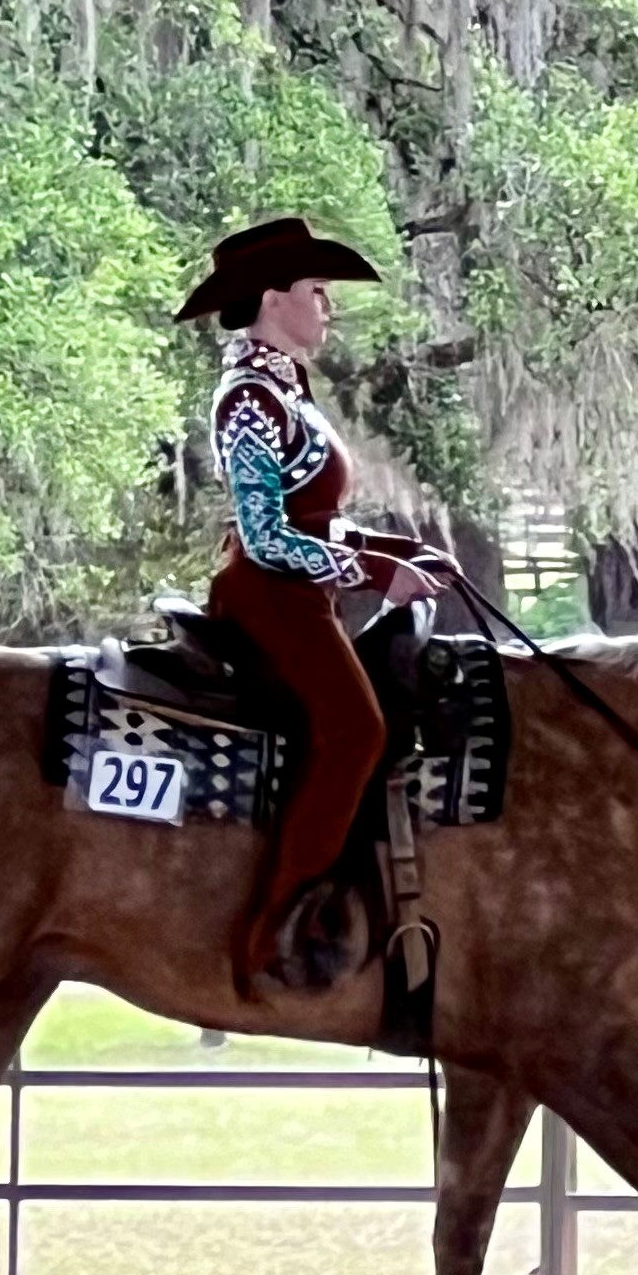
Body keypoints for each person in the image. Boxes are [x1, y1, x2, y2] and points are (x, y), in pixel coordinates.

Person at [175, 219, 450, 995]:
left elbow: (312, 521)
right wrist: (367, 571)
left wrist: (396, 556)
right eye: (317, 291)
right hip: (270, 598)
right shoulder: (249, 400)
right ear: (272, 300)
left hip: (301, 592)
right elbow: (265, 538)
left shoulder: (288, 392)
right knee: (356, 730)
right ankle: (277, 927)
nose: (329, 307)